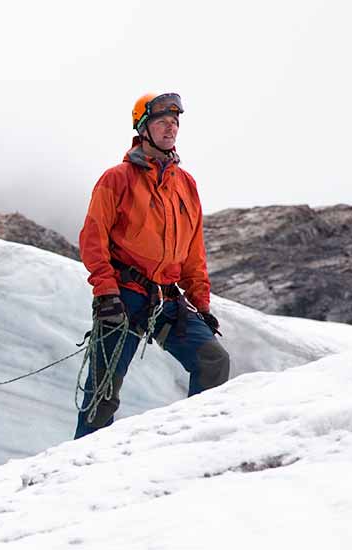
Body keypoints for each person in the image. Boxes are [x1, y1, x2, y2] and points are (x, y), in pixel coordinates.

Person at [75, 92, 231, 439]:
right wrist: (106, 293)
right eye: (162, 121)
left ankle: (189, 447)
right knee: (101, 397)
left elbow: (193, 251)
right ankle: (75, 476)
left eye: (175, 122)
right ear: (143, 128)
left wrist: (201, 304)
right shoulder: (117, 179)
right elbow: (93, 238)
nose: (170, 127)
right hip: (124, 295)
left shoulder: (186, 184)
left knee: (213, 362)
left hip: (167, 300)